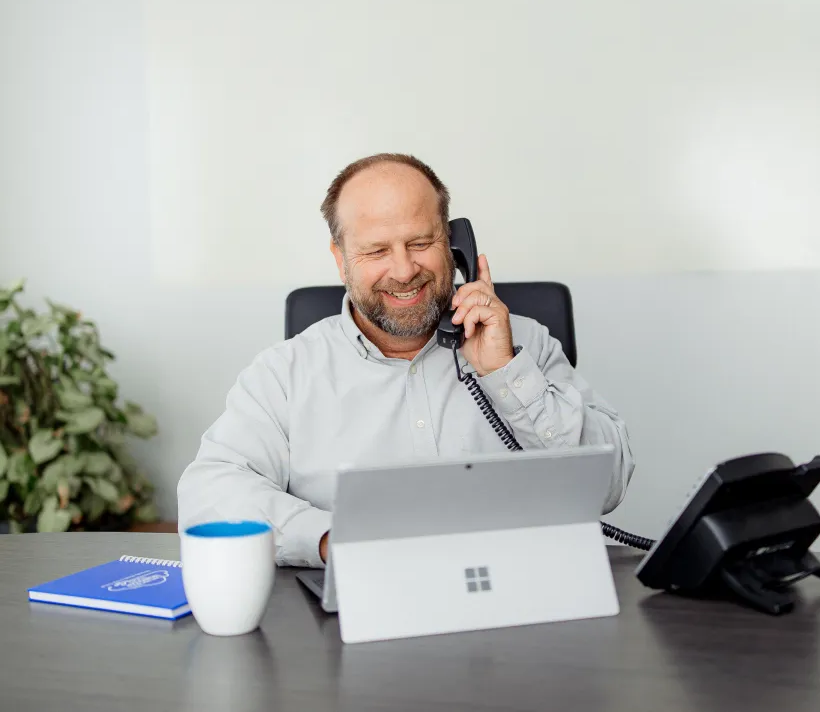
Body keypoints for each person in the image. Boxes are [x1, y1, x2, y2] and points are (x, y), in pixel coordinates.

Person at [177, 153, 634, 566]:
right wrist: (328, 539)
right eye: (376, 250)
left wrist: (505, 372)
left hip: (519, 600)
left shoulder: (525, 344)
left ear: (454, 244)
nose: (402, 270)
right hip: (355, 614)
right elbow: (211, 492)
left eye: (420, 242)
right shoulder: (284, 374)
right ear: (341, 261)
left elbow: (608, 484)